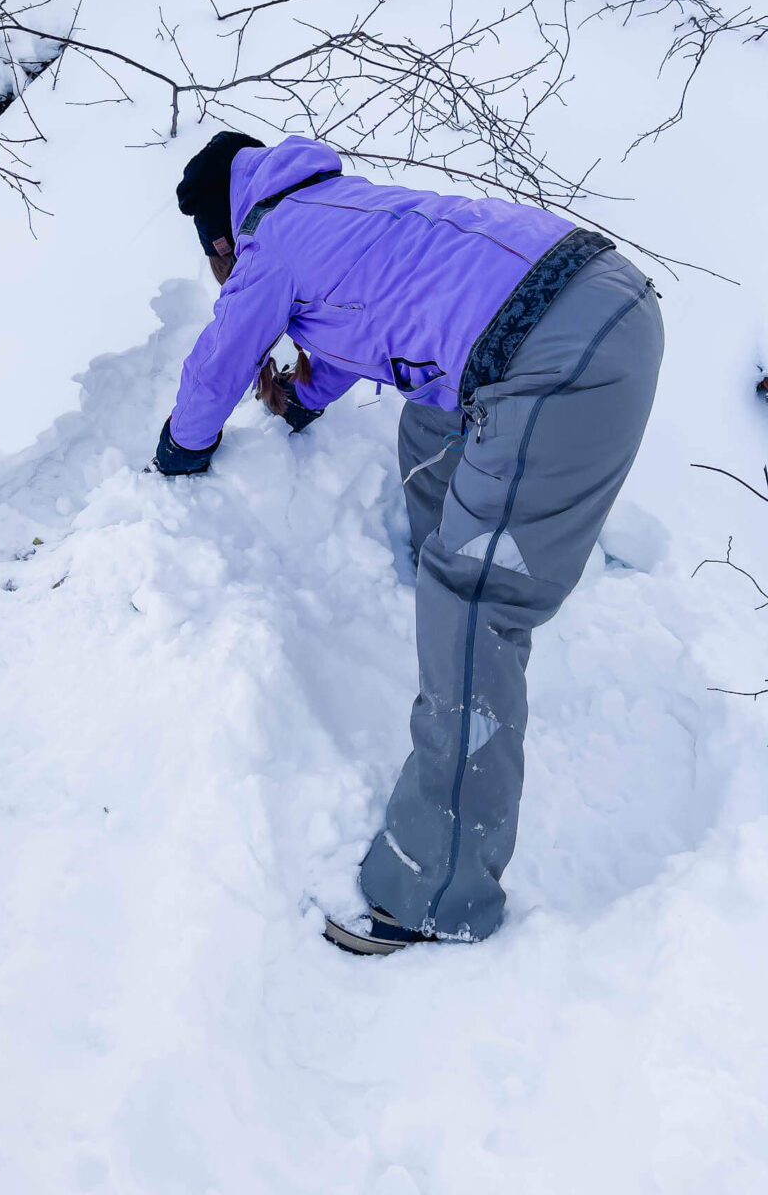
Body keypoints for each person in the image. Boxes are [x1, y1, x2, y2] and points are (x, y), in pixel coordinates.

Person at [153, 131, 663, 954]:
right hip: (598, 290)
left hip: (563, 361)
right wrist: (309, 397)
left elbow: (217, 365)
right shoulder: (339, 206)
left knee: (473, 603)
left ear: (221, 233)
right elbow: (376, 323)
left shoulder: (269, 244)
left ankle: (431, 889)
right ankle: (439, 558)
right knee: (432, 414)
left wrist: (180, 449)